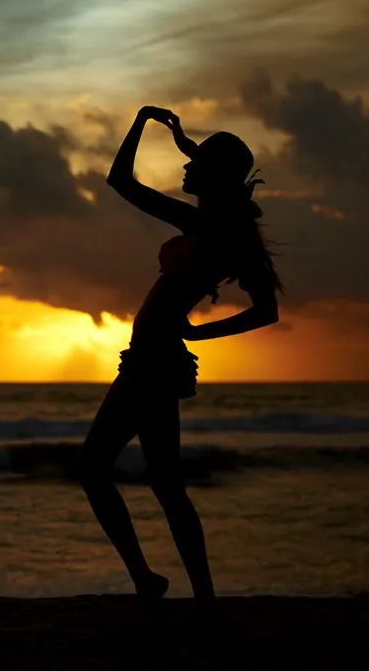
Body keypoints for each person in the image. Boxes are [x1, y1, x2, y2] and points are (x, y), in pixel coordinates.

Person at [77, 105, 283, 600]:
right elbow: (266, 311)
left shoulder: (212, 231)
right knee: (167, 487)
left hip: (153, 364)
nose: (184, 170)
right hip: (154, 362)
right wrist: (181, 140)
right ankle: (200, 595)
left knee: (93, 468)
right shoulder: (211, 225)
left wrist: (145, 119)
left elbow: (120, 180)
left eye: (193, 166)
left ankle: (148, 581)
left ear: (212, 176)